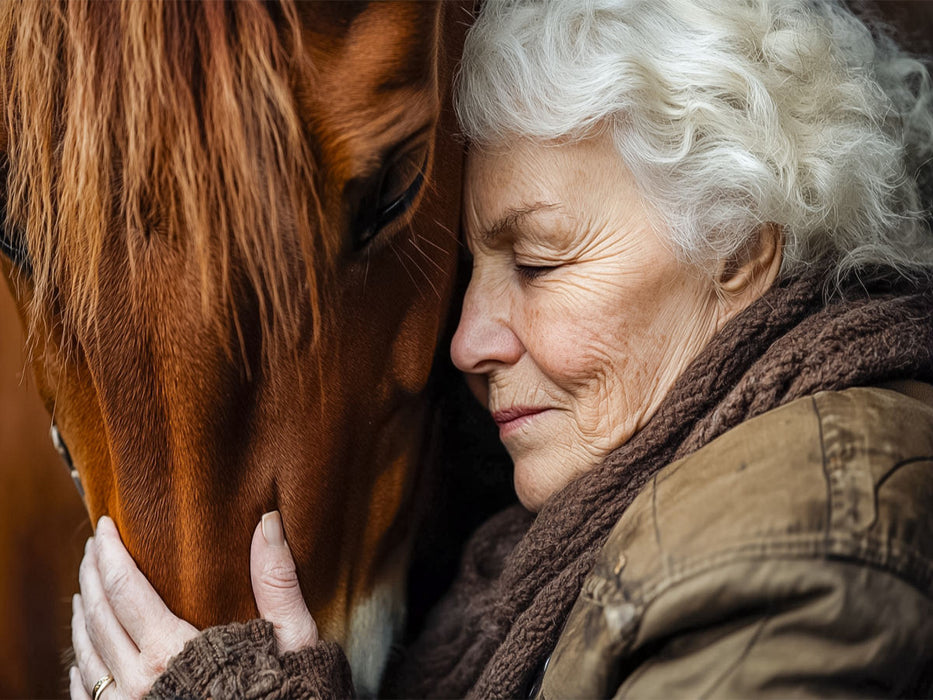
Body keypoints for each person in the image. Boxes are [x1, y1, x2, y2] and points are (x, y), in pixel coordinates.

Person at [71, 0, 933, 697]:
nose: (464, 344)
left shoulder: (796, 544)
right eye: (474, 268)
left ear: (740, 245)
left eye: (534, 261)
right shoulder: (615, 506)